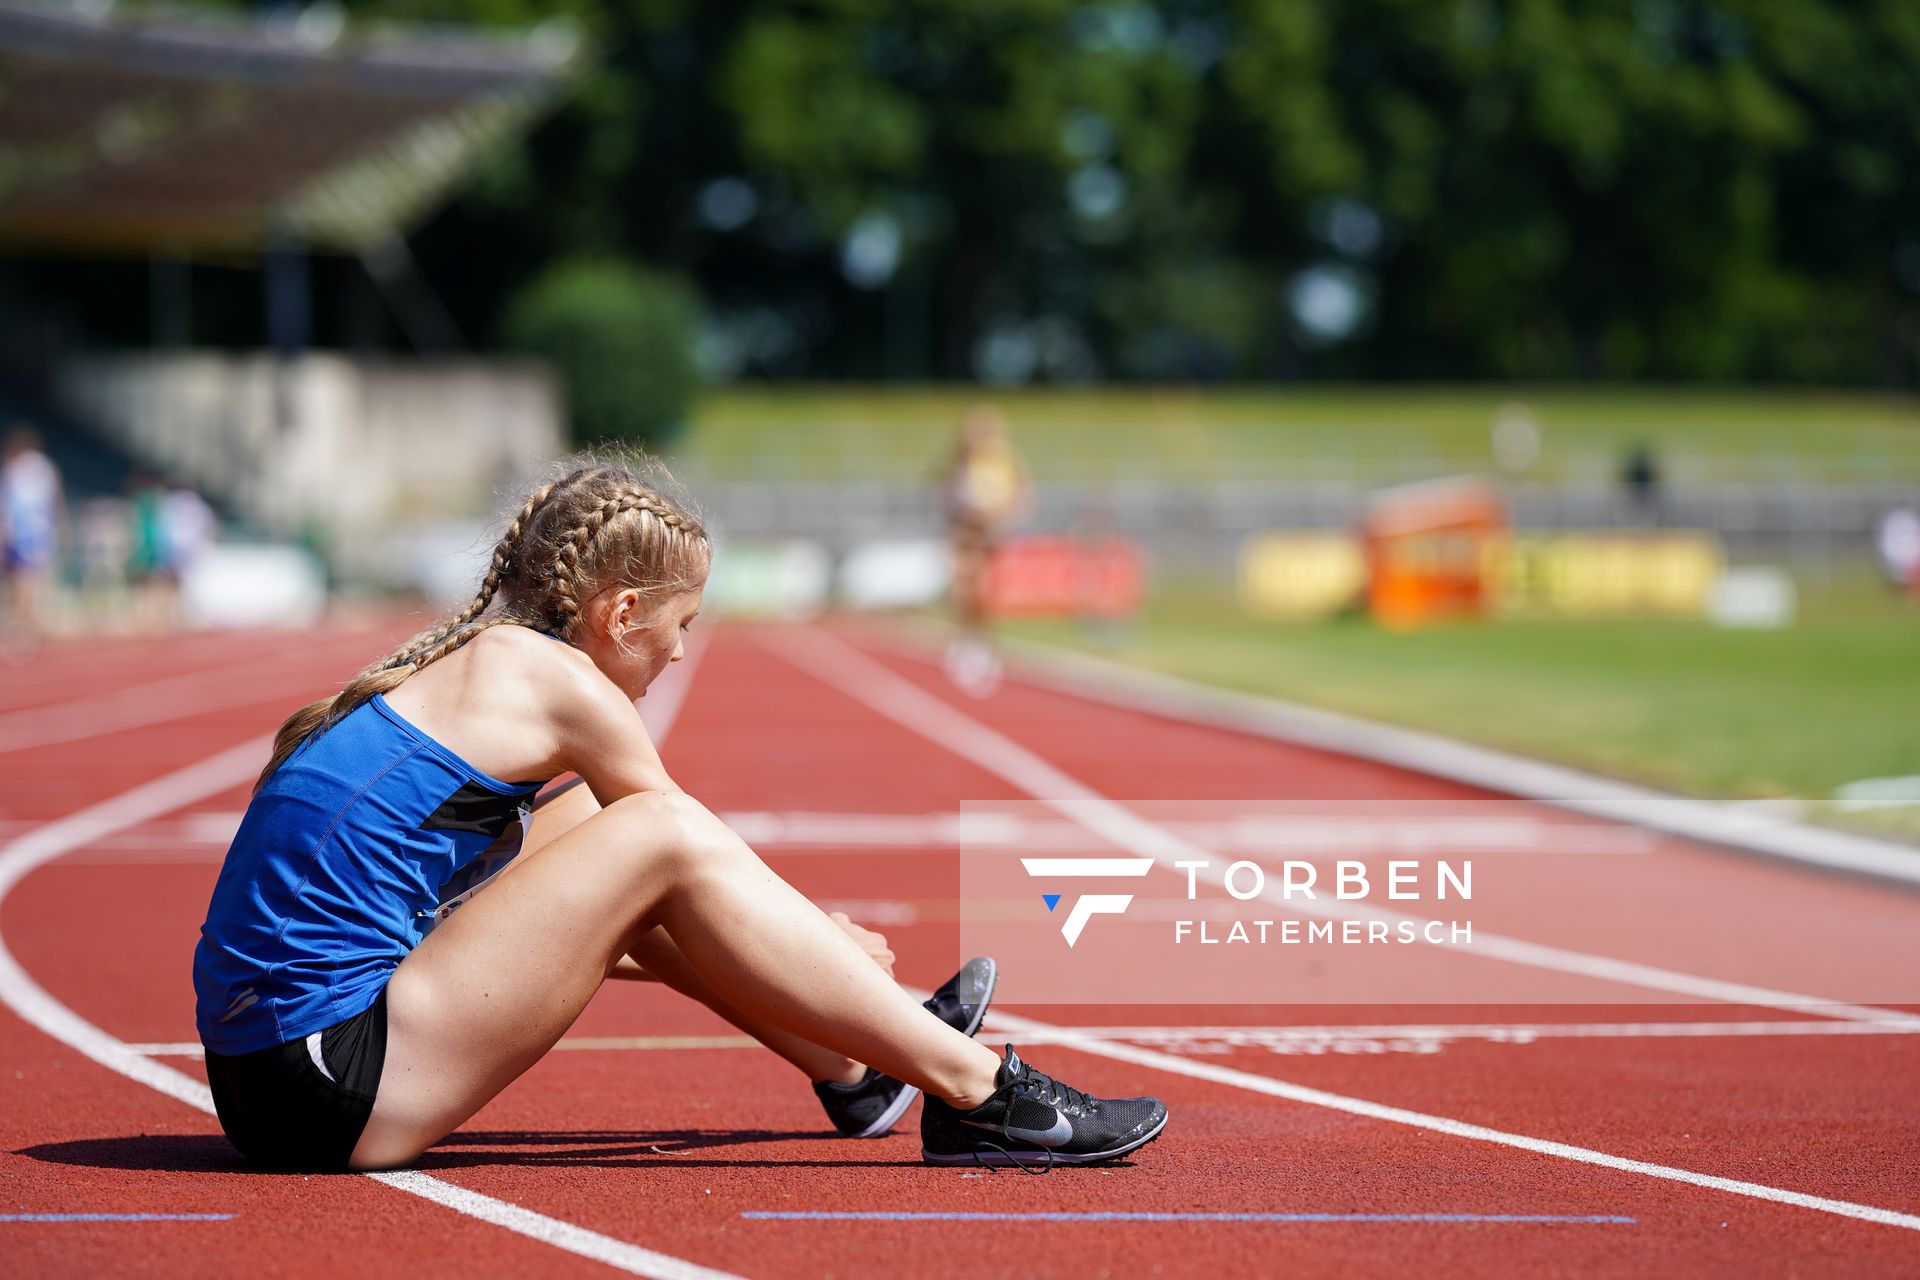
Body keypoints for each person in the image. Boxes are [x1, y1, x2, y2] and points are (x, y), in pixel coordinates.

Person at [193, 459, 1166, 1173]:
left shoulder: (480, 662)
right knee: (653, 837)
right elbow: (685, 844)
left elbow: (639, 911)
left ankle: (858, 1065)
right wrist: (827, 939)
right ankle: (980, 1091)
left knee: (585, 834)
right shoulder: (561, 684)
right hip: (327, 1078)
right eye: (680, 626)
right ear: (619, 614)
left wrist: (827, 975)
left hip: (267, 1079)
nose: (679, 654)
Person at [940, 405, 1030, 695]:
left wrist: (1006, 518)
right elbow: (944, 488)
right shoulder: (961, 459)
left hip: (991, 532)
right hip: (964, 530)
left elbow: (1022, 493)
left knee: (983, 590)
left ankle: (982, 644)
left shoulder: (1005, 460)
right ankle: (964, 636)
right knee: (960, 585)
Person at [2, 424, 64, 646]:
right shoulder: (45, 467)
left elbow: (7, 506)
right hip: (42, 533)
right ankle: (32, 627)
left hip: (23, 535)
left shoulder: (14, 467)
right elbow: (56, 502)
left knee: (22, 585)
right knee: (35, 584)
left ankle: (25, 630)